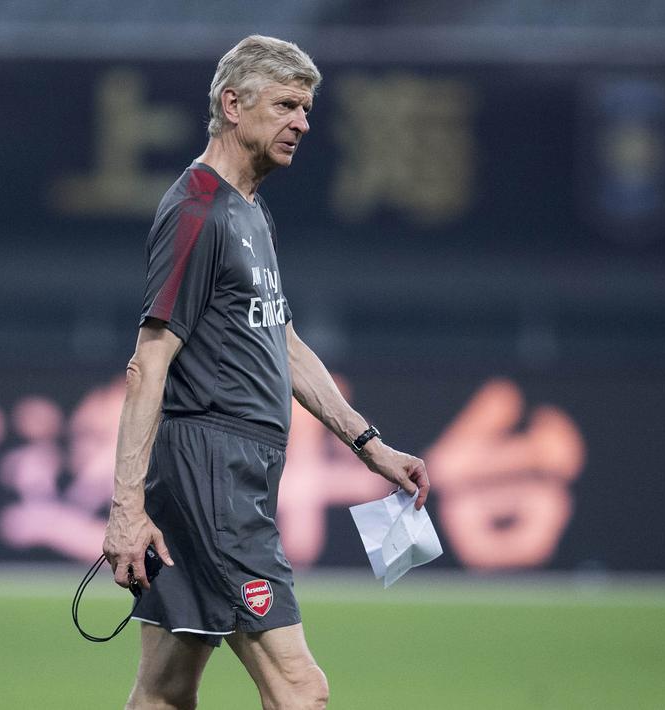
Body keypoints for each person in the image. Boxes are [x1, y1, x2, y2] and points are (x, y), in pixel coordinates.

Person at [101, 35, 430, 710]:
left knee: (163, 690)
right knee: (301, 691)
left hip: (228, 470)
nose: (302, 123)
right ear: (232, 104)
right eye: (285, 105)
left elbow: (279, 338)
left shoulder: (247, 210)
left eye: (305, 109)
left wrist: (368, 445)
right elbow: (148, 363)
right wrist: (125, 510)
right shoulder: (197, 212)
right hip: (213, 474)